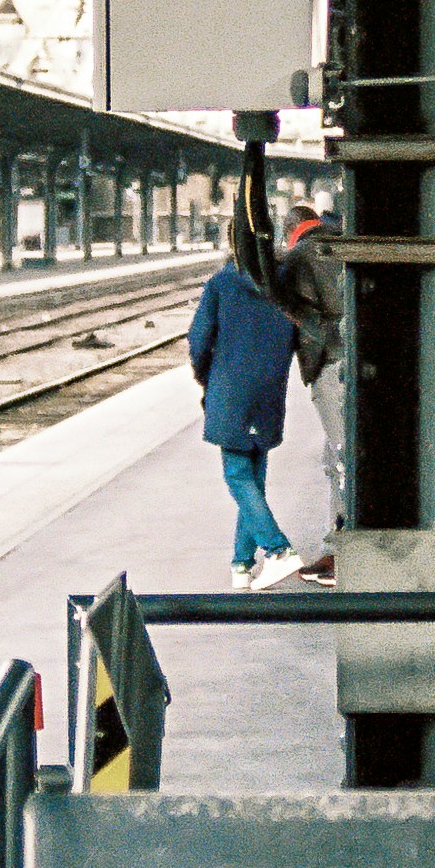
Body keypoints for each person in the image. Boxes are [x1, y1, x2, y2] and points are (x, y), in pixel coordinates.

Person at [187, 249, 303, 590]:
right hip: (269, 391)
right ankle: (241, 563)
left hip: (231, 390)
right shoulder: (283, 285)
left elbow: (198, 340)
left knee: (237, 475)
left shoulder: (222, 283)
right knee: (253, 476)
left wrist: (206, 376)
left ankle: (278, 550)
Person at [273, 203, 346, 579]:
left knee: (342, 458)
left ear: (290, 231)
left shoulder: (299, 257)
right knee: (336, 457)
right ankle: (337, 545)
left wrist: (313, 363)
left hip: (333, 367)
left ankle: (342, 553)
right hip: (355, 360)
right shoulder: (341, 241)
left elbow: (303, 317)